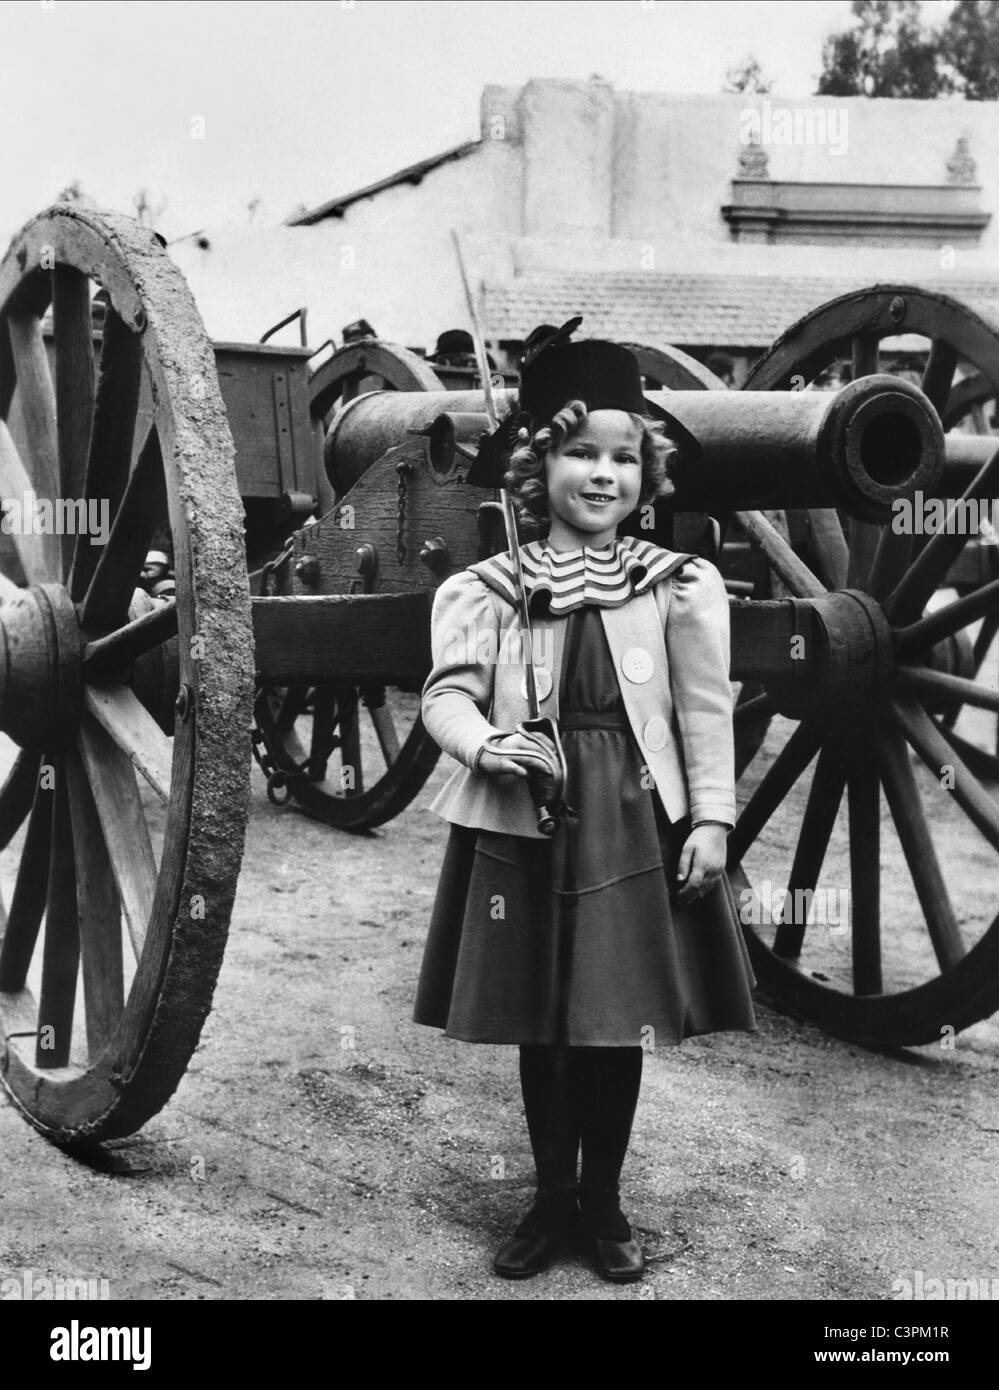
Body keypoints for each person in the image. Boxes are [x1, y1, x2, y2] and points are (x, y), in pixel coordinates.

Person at [413, 327, 756, 1284]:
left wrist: (715, 820)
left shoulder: (675, 586)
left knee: (615, 1019)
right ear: (538, 466)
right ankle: (548, 1198)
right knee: (543, 1020)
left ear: (646, 476)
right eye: (578, 454)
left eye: (621, 459)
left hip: (634, 822)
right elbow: (445, 696)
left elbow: (702, 708)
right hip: (528, 821)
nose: (600, 476)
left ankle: (602, 1202)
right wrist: (488, 743)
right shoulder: (489, 591)